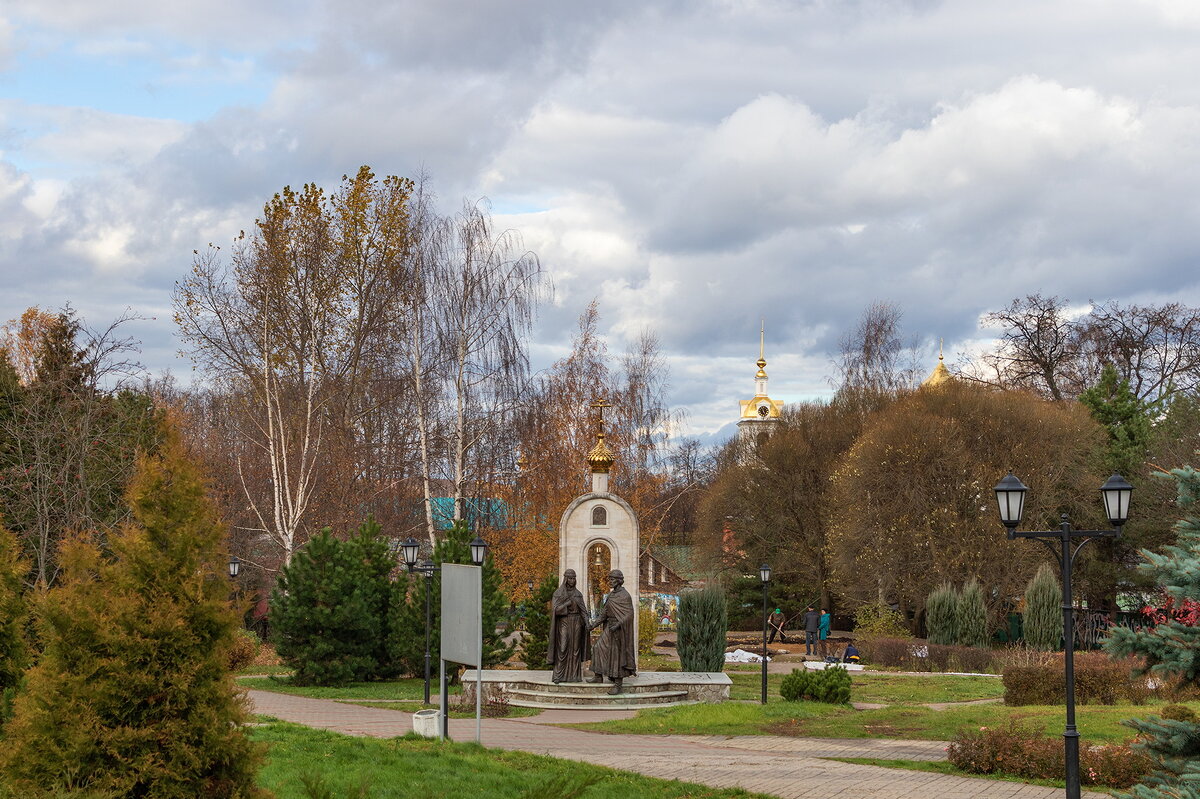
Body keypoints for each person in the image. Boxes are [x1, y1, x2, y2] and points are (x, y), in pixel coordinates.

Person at [588, 569, 637, 695]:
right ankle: (598, 676)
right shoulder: (611, 595)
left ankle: (618, 684)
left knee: (617, 656)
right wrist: (593, 625)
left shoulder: (624, 595)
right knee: (597, 647)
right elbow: (604, 613)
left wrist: (618, 624)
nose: (610, 581)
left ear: (619, 580)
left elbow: (629, 614)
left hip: (619, 630)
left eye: (612, 579)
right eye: (609, 579)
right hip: (610, 627)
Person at [547, 569, 590, 684]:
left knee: (576, 649)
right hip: (564, 622)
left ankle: (575, 675)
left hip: (576, 622)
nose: (572, 580)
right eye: (570, 578)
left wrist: (587, 622)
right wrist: (567, 603)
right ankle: (558, 675)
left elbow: (584, 611)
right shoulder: (558, 593)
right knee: (562, 648)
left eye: (574, 578)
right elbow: (555, 610)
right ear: (565, 579)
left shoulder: (578, 594)